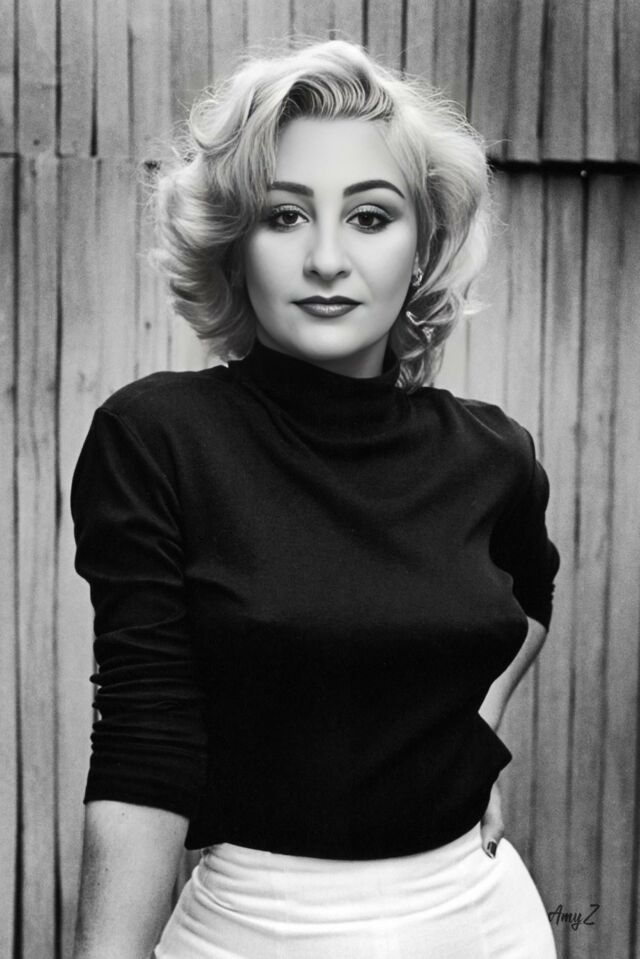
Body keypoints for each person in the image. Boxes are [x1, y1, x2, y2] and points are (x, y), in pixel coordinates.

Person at [70, 38, 560, 959]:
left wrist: (473, 729)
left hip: (483, 917)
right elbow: (145, 741)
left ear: (423, 247)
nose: (327, 257)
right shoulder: (159, 438)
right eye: (285, 215)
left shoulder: (494, 453)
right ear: (234, 243)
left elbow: (531, 599)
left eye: (370, 216)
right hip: (257, 923)